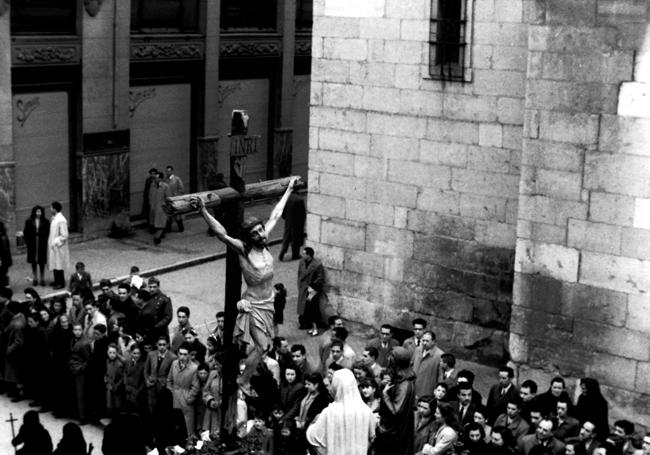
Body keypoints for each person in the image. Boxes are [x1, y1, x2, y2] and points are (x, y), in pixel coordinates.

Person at [190, 175, 298, 394]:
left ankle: (244, 375)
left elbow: (276, 214)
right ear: (249, 237)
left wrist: (287, 190)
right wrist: (203, 211)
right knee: (262, 346)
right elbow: (222, 234)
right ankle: (242, 380)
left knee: (264, 347)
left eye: (261, 230)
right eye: (256, 232)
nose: (261, 234)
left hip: (268, 303)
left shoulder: (264, 243)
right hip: (254, 305)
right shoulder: (244, 249)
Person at [306, 368, 377, 455]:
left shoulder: (329, 412)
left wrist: (313, 423)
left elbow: (313, 438)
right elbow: (371, 437)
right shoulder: (366, 411)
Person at [375, 347, 417, 455]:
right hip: (391, 431)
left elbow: (396, 411)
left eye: (391, 358)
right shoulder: (398, 379)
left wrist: (385, 395)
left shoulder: (404, 384)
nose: (389, 360)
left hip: (396, 434)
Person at [166, 341, 200, 436]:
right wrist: (171, 393)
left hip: (186, 400)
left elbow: (195, 387)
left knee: (187, 427)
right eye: (180, 354)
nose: (182, 357)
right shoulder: (174, 364)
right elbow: (169, 380)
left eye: (185, 354)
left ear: (189, 355)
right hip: (174, 398)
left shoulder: (194, 368)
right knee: (174, 426)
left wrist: (188, 399)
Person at [144, 335, 177, 413]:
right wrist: (147, 380)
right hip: (152, 385)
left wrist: (167, 385)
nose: (162, 347)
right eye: (160, 345)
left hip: (164, 387)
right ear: (156, 345)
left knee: (163, 409)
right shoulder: (151, 354)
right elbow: (146, 370)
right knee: (152, 408)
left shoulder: (173, 357)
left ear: (168, 345)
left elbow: (172, 374)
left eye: (164, 345)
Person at [297, 246, 325, 335]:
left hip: (312, 290)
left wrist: (312, 286)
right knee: (305, 308)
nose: (302, 255)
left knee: (312, 308)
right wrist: (299, 285)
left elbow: (320, 278)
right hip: (303, 288)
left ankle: (315, 327)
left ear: (309, 255)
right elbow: (299, 274)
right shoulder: (302, 262)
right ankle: (308, 325)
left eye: (304, 253)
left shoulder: (317, 265)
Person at [412, 330, 444, 400]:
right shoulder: (417, 350)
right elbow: (412, 366)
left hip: (427, 392)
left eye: (427, 341)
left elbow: (440, 376)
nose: (424, 343)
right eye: (423, 340)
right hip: (412, 388)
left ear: (433, 342)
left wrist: (437, 392)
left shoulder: (440, 355)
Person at [23, 205, 50, 286]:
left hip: (41, 243)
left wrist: (46, 241)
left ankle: (42, 278)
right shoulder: (29, 221)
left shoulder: (46, 221)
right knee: (33, 262)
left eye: (40, 211)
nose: (39, 213)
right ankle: (35, 278)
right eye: (37, 211)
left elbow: (48, 232)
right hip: (32, 243)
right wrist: (27, 243)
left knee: (41, 262)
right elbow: (26, 232)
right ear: (34, 212)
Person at [47, 201, 70, 289]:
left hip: (59, 247)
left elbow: (64, 235)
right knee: (55, 264)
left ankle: (61, 283)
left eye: (51, 208)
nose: (50, 209)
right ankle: (56, 281)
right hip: (54, 247)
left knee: (59, 265)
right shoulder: (55, 218)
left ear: (55, 209)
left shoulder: (61, 220)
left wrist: (55, 242)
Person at [278, 189, 306, 261]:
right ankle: (295, 255)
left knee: (286, 238)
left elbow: (283, 211)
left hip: (289, 221)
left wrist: (285, 218)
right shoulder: (300, 199)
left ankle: (282, 253)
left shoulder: (286, 198)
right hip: (298, 222)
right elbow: (303, 213)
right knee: (296, 239)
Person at [149, 171, 171, 245]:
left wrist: (164, 205)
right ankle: (160, 236)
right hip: (154, 208)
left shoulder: (165, 186)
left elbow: (168, 198)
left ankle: (157, 238)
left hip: (161, 208)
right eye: (155, 178)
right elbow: (150, 195)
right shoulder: (152, 185)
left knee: (160, 224)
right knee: (157, 224)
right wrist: (151, 204)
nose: (155, 179)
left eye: (157, 178)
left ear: (161, 179)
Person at [165, 165, 185, 233]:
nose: (167, 172)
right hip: (168, 199)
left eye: (169, 171)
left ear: (172, 171)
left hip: (175, 199)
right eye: (166, 171)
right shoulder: (165, 180)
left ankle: (181, 228)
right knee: (168, 215)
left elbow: (182, 189)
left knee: (177, 215)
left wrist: (177, 194)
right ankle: (168, 229)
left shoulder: (177, 179)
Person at [0, 221, 12, 287]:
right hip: (4, 257)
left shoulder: (3, 237)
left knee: (3, 272)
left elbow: (5, 249)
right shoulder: (4, 236)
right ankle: (4, 284)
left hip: (4, 257)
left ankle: (5, 284)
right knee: (3, 272)